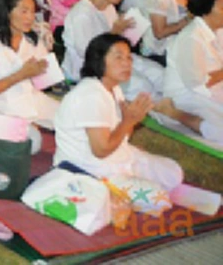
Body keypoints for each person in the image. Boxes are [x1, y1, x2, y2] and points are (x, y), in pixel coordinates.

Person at [53, 33, 183, 190]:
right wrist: (129, 121)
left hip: (114, 158)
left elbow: (122, 134)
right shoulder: (90, 95)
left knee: (173, 173)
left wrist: (131, 121)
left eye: (129, 58)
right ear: (99, 60)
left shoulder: (114, 89)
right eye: (118, 58)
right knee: (158, 197)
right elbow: (101, 150)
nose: (126, 63)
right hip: (90, 170)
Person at [0, 0, 60, 151]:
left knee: (74, 117)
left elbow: (47, 82)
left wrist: (47, 57)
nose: (30, 17)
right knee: (31, 142)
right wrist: (21, 75)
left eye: (32, 12)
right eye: (24, 11)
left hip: (30, 100)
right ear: (7, 12)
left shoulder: (32, 41)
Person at [61, 0, 164, 99]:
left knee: (158, 73)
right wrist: (114, 33)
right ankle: (162, 109)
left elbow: (117, 40)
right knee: (142, 86)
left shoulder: (109, 7)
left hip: (116, 57)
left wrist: (127, 32)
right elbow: (89, 54)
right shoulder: (82, 15)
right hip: (93, 69)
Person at [159, 0, 223, 144]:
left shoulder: (218, 30)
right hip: (189, 95)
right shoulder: (191, 37)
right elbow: (199, 84)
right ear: (208, 9)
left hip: (214, 89)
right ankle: (173, 113)